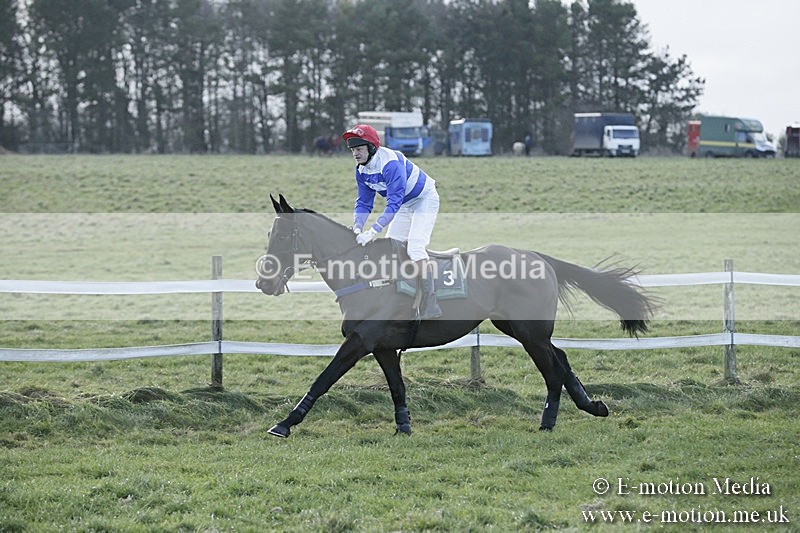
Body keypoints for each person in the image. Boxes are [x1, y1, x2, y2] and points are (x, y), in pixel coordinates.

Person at [342, 124, 442, 320]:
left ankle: (431, 302)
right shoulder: (361, 170)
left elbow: (393, 202)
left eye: (359, 149)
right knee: (391, 247)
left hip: (424, 199)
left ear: (371, 147)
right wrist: (357, 227)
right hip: (405, 204)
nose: (355, 153)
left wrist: (373, 231)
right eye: (353, 150)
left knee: (415, 248)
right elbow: (363, 202)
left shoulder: (391, 164)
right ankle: (400, 298)